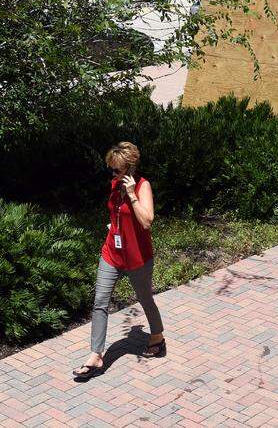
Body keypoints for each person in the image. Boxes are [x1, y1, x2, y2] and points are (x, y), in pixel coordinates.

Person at [73, 142, 164, 381]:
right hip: (112, 253)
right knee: (100, 301)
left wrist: (133, 196)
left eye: (117, 170)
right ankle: (96, 354)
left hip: (137, 257)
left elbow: (146, 222)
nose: (112, 174)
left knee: (145, 299)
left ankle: (157, 337)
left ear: (129, 169)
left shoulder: (143, 186)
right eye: (111, 169)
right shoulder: (115, 185)